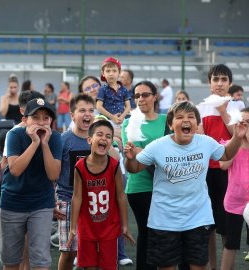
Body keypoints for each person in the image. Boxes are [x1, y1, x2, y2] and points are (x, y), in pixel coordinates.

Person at [124, 101, 248, 270]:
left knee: (198, 266)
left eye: (191, 117)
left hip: (198, 217)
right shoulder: (159, 145)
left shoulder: (205, 142)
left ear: (197, 124)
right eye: (179, 117)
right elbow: (135, 168)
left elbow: (225, 154)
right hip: (164, 219)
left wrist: (237, 137)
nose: (186, 120)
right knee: (167, 267)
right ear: (170, 124)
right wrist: (130, 158)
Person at [0, 98, 62, 270]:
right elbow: (15, 169)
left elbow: (53, 174)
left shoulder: (55, 138)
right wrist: (34, 143)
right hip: (12, 203)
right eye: (35, 117)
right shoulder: (14, 135)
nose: (41, 122)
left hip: (41, 204)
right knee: (11, 261)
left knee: (41, 261)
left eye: (46, 118)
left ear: (51, 122)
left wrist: (44, 145)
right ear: (25, 120)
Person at [68, 120, 134, 270]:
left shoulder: (114, 164)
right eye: (100, 134)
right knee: (89, 266)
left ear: (112, 142)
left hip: (109, 226)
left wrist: (125, 225)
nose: (104, 138)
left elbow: (120, 196)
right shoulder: (80, 166)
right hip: (87, 226)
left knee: (109, 266)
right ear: (89, 139)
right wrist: (73, 227)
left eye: (109, 136)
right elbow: (77, 197)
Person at [121, 81, 168, 270]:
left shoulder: (167, 120)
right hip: (140, 186)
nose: (141, 99)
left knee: (165, 234)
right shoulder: (128, 122)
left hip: (165, 185)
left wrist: (145, 151)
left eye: (145, 94)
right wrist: (150, 153)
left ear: (155, 96)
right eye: (137, 95)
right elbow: (133, 154)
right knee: (147, 233)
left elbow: (174, 151)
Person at [196, 64, 237, 269]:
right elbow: (200, 139)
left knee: (227, 224)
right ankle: (212, 266)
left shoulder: (238, 106)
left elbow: (238, 135)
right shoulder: (200, 107)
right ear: (209, 82)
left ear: (230, 82)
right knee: (208, 225)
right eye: (215, 79)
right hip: (206, 172)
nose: (219, 83)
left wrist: (223, 111)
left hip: (229, 172)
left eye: (223, 79)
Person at [55, 94, 95, 270]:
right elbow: (53, 174)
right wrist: (53, 200)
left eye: (91, 110)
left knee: (92, 249)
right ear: (72, 115)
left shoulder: (97, 139)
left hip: (92, 201)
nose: (87, 114)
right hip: (67, 199)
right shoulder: (63, 140)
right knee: (68, 251)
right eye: (82, 110)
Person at [219, 107, 249, 270]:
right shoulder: (229, 144)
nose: (245, 125)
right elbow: (223, 165)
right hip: (234, 202)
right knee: (231, 244)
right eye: (241, 122)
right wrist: (237, 140)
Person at [96, 57, 131, 127]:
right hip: (106, 120)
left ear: (119, 73)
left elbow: (128, 106)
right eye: (108, 71)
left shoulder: (124, 89)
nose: (111, 74)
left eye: (114, 71)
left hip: (121, 119)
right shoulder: (103, 89)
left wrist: (122, 117)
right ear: (103, 73)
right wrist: (112, 117)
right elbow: (98, 106)